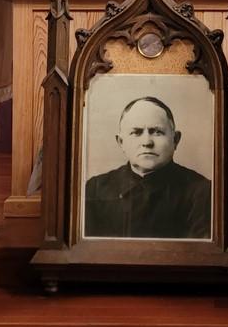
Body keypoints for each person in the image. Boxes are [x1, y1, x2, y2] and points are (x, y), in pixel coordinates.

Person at [85, 96, 211, 239]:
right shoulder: (95, 188)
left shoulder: (201, 192)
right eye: (136, 132)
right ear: (121, 142)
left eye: (157, 132)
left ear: (175, 139)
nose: (147, 142)